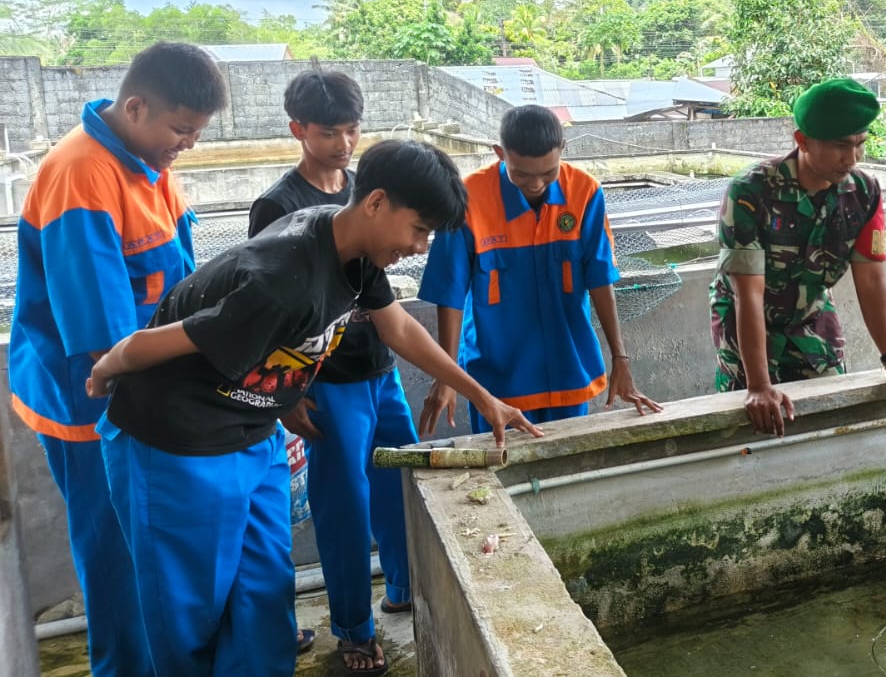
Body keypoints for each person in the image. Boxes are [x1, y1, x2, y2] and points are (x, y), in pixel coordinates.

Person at [88, 140, 539, 677]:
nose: (420, 247)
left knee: (264, 598)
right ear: (375, 202)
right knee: (188, 613)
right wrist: (107, 366)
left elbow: (396, 327)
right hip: (177, 440)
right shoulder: (281, 278)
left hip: (252, 432)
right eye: (418, 230)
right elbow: (156, 342)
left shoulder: (354, 251)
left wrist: (482, 398)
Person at [8, 41, 227, 676]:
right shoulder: (81, 176)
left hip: (148, 384)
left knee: (153, 544)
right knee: (115, 553)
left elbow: (180, 277)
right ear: (135, 107)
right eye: (182, 129)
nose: (187, 144)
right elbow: (105, 343)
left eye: (195, 132)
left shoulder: (149, 159)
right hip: (92, 400)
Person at [247, 69, 416, 676]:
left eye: (352, 130)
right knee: (343, 504)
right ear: (297, 130)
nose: (343, 144)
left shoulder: (364, 186)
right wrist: (287, 395)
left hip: (379, 366)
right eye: (328, 132)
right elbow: (265, 308)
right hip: (326, 381)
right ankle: (353, 626)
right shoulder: (279, 204)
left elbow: (386, 303)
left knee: (403, 483)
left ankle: (404, 587)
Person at [418, 104, 660, 436]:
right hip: (497, 378)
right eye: (522, 174)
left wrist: (621, 358)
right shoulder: (467, 199)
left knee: (568, 471)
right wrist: (445, 376)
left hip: (568, 368)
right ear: (499, 153)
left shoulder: (585, 192)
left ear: (563, 151)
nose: (535, 185)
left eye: (548, 173)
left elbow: (600, 278)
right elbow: (450, 293)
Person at [709, 77, 886, 437]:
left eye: (860, 144)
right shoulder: (750, 191)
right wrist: (758, 386)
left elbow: (872, 278)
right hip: (746, 318)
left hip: (812, 314)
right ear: (802, 141)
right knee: (752, 422)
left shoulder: (864, 192)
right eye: (840, 146)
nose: (852, 158)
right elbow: (746, 292)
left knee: (832, 417)